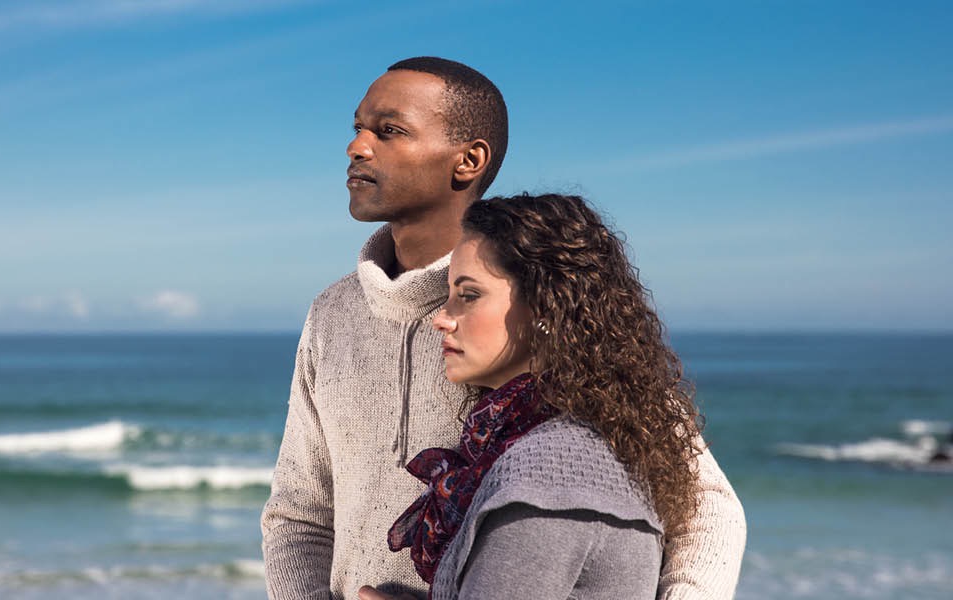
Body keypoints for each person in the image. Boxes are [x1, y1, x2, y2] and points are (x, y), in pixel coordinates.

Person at [261, 56, 746, 600]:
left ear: (468, 161)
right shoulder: (332, 314)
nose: (357, 146)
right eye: (358, 128)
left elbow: (707, 515)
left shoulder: (545, 304)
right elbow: (297, 515)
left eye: (389, 131)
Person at [370, 192, 703, 599]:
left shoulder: (551, 474)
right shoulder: (560, 439)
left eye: (468, 295)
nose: (442, 318)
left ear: (545, 310)